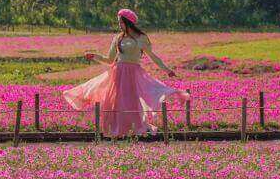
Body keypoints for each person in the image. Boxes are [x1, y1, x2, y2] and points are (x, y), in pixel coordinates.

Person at [64, 8, 188, 138]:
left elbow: (153, 56)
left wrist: (167, 70)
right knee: (116, 102)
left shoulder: (141, 38)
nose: (119, 25)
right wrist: (94, 56)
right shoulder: (117, 38)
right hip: (118, 74)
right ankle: (117, 132)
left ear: (128, 22)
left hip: (133, 74)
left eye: (121, 22)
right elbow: (110, 60)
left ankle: (134, 130)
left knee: (132, 102)